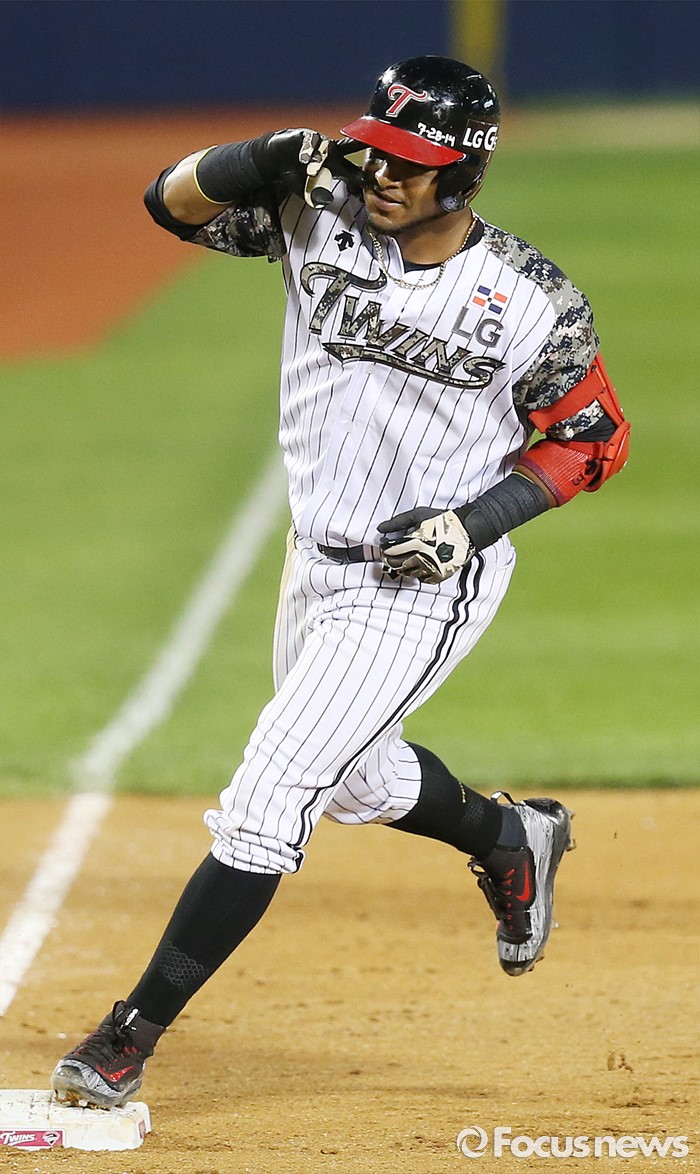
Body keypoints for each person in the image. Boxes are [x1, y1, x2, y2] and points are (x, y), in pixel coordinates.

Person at [51, 56, 629, 1110]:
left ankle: (127, 1038)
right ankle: (511, 837)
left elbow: (592, 440)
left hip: (423, 584)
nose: (382, 177)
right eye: (375, 153)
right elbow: (168, 205)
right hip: (312, 561)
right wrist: (259, 157)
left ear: (465, 175)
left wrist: (472, 523)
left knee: (270, 797)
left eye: (410, 164)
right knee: (358, 784)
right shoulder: (315, 219)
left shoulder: (531, 302)